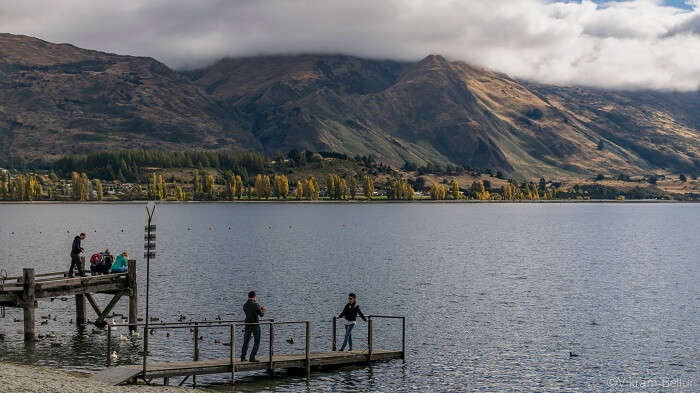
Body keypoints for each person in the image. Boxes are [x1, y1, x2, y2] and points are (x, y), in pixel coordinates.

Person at [241, 291, 266, 362]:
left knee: (246, 341)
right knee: (257, 341)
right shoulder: (256, 304)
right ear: (254, 296)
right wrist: (263, 310)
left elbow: (250, 312)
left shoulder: (245, 305)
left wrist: (258, 309)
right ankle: (252, 356)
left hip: (247, 324)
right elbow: (261, 315)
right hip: (255, 325)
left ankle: (243, 357)